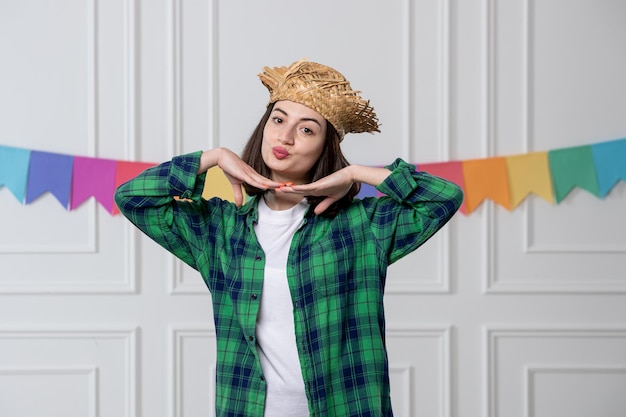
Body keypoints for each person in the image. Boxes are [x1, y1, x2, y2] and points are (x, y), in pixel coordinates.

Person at [115, 59, 464, 417]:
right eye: (278, 120)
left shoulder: (362, 226)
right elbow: (133, 198)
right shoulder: (220, 229)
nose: (285, 137)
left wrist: (358, 172)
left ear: (326, 145)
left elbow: (444, 198)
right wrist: (214, 157)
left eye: (307, 129)